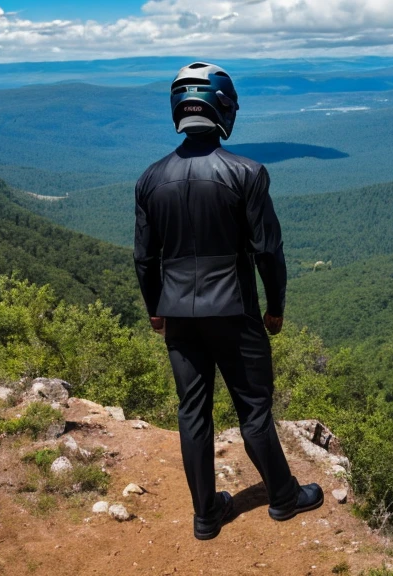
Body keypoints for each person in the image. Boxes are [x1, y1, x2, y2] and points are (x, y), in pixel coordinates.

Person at [133, 62, 323, 541]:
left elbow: (143, 257)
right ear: (223, 109)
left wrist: (155, 306)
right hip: (235, 313)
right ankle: (282, 498)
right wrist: (275, 307)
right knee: (254, 410)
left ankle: (205, 515)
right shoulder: (247, 173)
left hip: (177, 315)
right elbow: (268, 252)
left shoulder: (150, 180)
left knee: (192, 413)